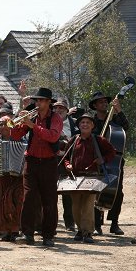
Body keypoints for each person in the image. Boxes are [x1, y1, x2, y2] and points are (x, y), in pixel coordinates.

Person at [10, 87, 63, 247]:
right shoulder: (31, 116)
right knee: (28, 198)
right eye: (37, 100)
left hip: (48, 162)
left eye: (41, 101)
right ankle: (27, 233)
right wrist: (18, 123)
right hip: (31, 162)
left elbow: (53, 136)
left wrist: (33, 126)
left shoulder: (55, 118)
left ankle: (48, 235)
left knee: (49, 200)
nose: (38, 103)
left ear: (48, 102)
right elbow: (15, 136)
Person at [62, 113, 117, 243]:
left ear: (92, 126)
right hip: (75, 178)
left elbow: (112, 152)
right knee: (75, 206)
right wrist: (68, 165)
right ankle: (80, 230)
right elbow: (65, 158)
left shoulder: (98, 140)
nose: (85, 125)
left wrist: (103, 159)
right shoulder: (74, 140)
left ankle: (88, 233)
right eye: (82, 123)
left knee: (87, 204)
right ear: (79, 126)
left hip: (92, 178)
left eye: (88, 122)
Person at [89, 91, 129, 235]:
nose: (104, 103)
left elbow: (126, 126)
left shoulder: (115, 120)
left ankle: (114, 223)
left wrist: (119, 110)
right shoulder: (91, 122)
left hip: (115, 162)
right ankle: (97, 224)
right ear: (94, 105)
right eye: (100, 102)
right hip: (96, 161)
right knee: (95, 191)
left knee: (117, 191)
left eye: (105, 101)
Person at [53, 99, 79, 232]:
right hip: (52, 160)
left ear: (66, 110)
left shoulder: (74, 123)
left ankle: (70, 223)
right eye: (56, 108)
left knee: (68, 194)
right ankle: (52, 222)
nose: (58, 110)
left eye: (61, 108)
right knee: (51, 192)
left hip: (69, 160)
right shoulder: (49, 122)